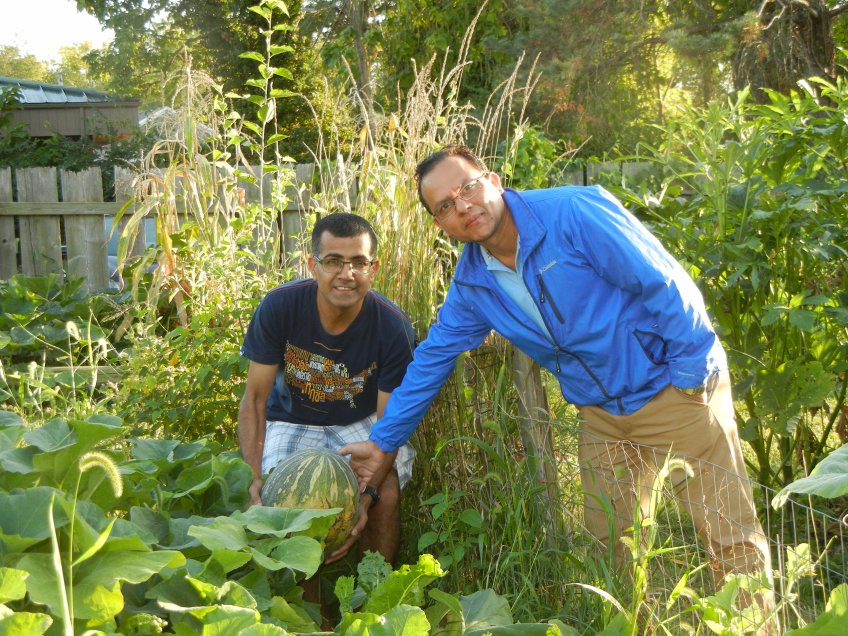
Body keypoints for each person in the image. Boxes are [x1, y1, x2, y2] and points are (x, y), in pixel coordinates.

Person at [338, 145, 773, 598]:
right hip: (602, 415)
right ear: (439, 223)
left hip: (673, 388)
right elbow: (433, 360)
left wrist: (689, 376)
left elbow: (664, 283)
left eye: (467, 187)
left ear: (492, 180)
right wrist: (383, 442)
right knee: (612, 549)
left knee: (729, 537)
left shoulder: (573, 212)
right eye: (445, 205)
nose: (462, 206)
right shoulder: (473, 285)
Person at [238, 212, 416, 567]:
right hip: (291, 418)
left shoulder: (392, 326)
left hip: (359, 421)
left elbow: (389, 422)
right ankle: (308, 615)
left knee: (388, 491)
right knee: (288, 501)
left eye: (358, 263)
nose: (346, 274)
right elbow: (255, 400)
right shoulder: (280, 306)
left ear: (373, 268)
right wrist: (253, 477)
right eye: (333, 261)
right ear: (312, 264)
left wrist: (364, 499)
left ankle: (374, 594)